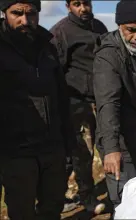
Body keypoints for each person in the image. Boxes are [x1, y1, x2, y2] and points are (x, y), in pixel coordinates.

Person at [0, 0, 72, 218]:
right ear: (5, 13)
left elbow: (61, 97)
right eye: (17, 13)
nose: (25, 20)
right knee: (22, 212)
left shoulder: (48, 46)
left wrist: (67, 142)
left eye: (31, 14)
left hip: (52, 147)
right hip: (16, 151)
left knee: (52, 208)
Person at [93, 0, 136, 208]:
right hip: (120, 142)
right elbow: (108, 104)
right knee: (126, 203)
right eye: (131, 30)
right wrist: (111, 149)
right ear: (119, 26)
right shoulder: (108, 56)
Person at [49, 0, 107, 214]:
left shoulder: (99, 27)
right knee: (82, 154)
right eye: (77, 4)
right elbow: (55, 71)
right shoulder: (60, 32)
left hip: (101, 100)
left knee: (106, 148)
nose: (83, 8)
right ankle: (87, 199)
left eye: (86, 3)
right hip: (75, 104)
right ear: (68, 6)